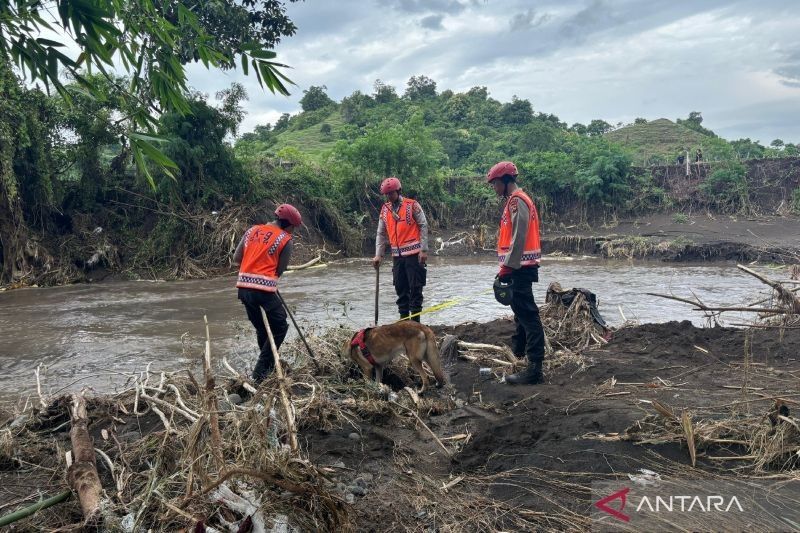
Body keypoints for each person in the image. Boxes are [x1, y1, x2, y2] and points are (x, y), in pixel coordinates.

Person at [487, 161, 546, 385]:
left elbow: (518, 237)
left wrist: (506, 268)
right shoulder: (516, 200)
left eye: (495, 184)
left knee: (528, 316)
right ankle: (519, 353)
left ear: (505, 181)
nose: (494, 188)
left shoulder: (517, 201)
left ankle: (534, 369)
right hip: (519, 266)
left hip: (519, 267)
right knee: (521, 314)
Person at [233, 204, 302, 383]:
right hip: (262, 289)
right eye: (293, 228)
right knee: (280, 326)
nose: (293, 231)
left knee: (262, 328)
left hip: (243, 288)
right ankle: (260, 371)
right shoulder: (285, 239)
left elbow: (237, 258)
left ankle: (269, 368)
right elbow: (280, 269)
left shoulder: (252, 231)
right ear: (288, 224)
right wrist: (266, 276)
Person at [372, 177, 429, 322]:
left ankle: (415, 324)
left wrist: (423, 250)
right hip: (397, 256)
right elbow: (380, 233)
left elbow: (423, 225)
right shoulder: (385, 210)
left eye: (391, 193)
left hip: (414, 255)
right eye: (387, 194)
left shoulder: (412, 205)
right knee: (400, 289)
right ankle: (403, 324)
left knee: (416, 289)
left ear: (398, 191)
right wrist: (378, 255)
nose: (389, 197)